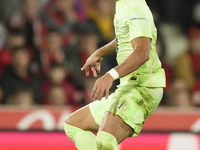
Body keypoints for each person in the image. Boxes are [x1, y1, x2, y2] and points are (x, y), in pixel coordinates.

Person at [64, 0, 166, 149]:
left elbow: (142, 52)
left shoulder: (135, 7)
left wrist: (110, 75)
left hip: (142, 87)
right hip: (129, 86)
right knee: (73, 125)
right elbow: (124, 39)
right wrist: (99, 53)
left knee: (105, 142)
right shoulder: (123, 5)